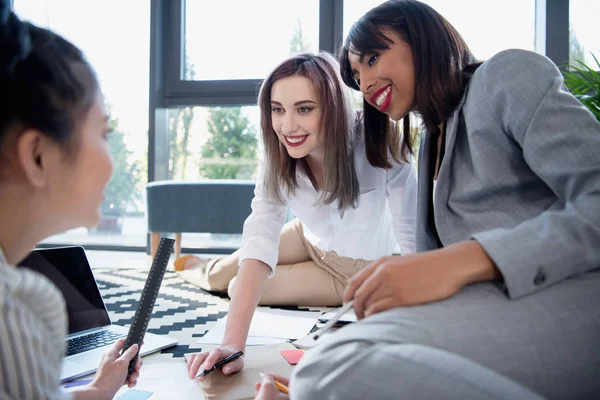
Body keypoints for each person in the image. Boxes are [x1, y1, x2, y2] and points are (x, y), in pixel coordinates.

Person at [255, 1, 600, 399]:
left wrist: (463, 262)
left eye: (371, 57)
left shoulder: (504, 76)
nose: (364, 83)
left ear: (421, 38)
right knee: (326, 368)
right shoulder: (432, 139)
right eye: (355, 74)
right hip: (492, 310)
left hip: (569, 296)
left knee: (326, 370)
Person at [185, 51, 417, 380]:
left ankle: (206, 272)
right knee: (222, 272)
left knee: (239, 286)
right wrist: (231, 344)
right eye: (277, 110)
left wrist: (419, 329)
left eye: (304, 109)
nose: (287, 126)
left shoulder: (382, 145)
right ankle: (193, 267)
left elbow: (413, 241)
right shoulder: (278, 150)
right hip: (306, 236)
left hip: (352, 270)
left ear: (333, 108)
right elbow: (260, 233)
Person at [0, 3, 143, 399]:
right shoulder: (20, 308)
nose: (110, 158)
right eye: (103, 132)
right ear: (38, 156)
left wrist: (98, 389)